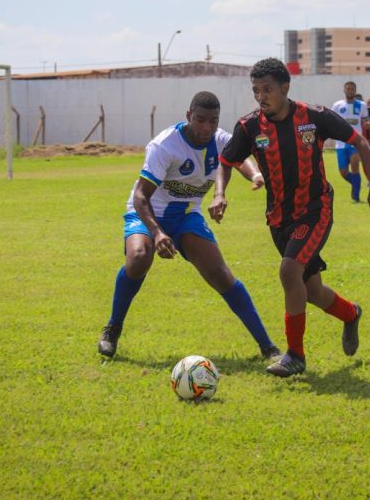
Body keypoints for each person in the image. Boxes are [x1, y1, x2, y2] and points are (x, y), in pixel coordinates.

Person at [210, 58, 370, 377]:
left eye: (267, 89)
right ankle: (350, 314)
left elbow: (358, 140)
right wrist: (219, 193)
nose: (261, 96)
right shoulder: (249, 126)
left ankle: (295, 355)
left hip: (316, 209)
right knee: (312, 290)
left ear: (285, 88)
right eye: (256, 90)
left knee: (290, 270)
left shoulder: (313, 117)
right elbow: (226, 160)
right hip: (279, 219)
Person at [97, 91, 280, 360]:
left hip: (185, 215)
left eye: (213, 121)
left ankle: (267, 346)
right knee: (138, 257)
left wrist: (255, 175)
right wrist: (157, 233)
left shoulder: (220, 140)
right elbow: (140, 196)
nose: (206, 127)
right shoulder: (165, 145)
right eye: (200, 120)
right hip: (147, 212)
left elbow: (238, 157)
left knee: (219, 273)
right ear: (188, 116)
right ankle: (112, 329)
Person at [330, 81, 368, 202]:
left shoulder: (362, 105)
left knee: (355, 164)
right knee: (343, 172)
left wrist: (368, 124)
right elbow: (331, 120)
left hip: (355, 142)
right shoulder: (337, 105)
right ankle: (356, 183)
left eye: (352, 89)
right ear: (344, 90)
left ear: (355, 91)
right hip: (341, 143)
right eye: (348, 89)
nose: (350, 91)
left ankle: (355, 196)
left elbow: (366, 120)